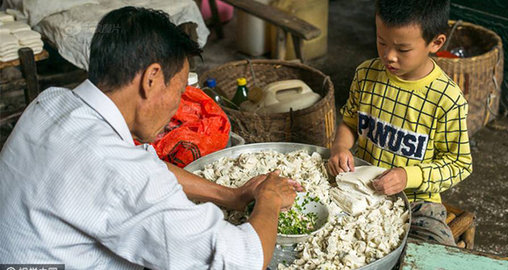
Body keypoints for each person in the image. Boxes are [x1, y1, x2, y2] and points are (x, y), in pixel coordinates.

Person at [0, 7, 301, 269]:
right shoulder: (121, 173)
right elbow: (243, 259)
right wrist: (270, 199)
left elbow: (143, 164)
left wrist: (231, 196)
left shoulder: (50, 102)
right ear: (152, 78)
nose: (178, 104)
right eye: (180, 90)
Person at [328, 0, 472, 246]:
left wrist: (408, 176)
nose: (388, 56)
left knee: (436, 251)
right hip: (360, 186)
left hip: (417, 202)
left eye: (403, 49)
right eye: (381, 41)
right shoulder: (366, 75)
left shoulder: (446, 100)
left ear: (436, 43)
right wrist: (340, 147)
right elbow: (350, 123)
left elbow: (459, 164)